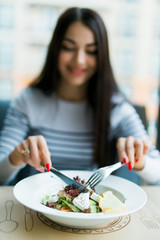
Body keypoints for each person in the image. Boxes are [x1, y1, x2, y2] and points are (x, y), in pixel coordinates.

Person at [0, 7, 160, 186]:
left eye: (91, 51)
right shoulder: (27, 102)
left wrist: (140, 160)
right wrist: (16, 156)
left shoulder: (116, 108)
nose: (79, 60)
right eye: (69, 48)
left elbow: (158, 172)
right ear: (55, 49)